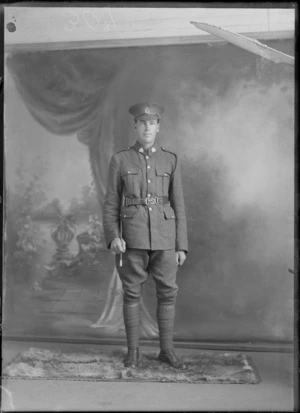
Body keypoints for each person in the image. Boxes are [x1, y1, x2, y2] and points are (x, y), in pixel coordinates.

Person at [103, 102, 188, 369]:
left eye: (152, 123)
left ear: (158, 127)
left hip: (165, 237)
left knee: (168, 294)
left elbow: (179, 204)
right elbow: (111, 204)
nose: (147, 128)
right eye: (142, 123)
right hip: (132, 237)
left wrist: (181, 246)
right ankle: (133, 352)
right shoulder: (120, 159)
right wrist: (113, 236)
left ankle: (167, 351)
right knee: (131, 293)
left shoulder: (170, 159)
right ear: (135, 126)